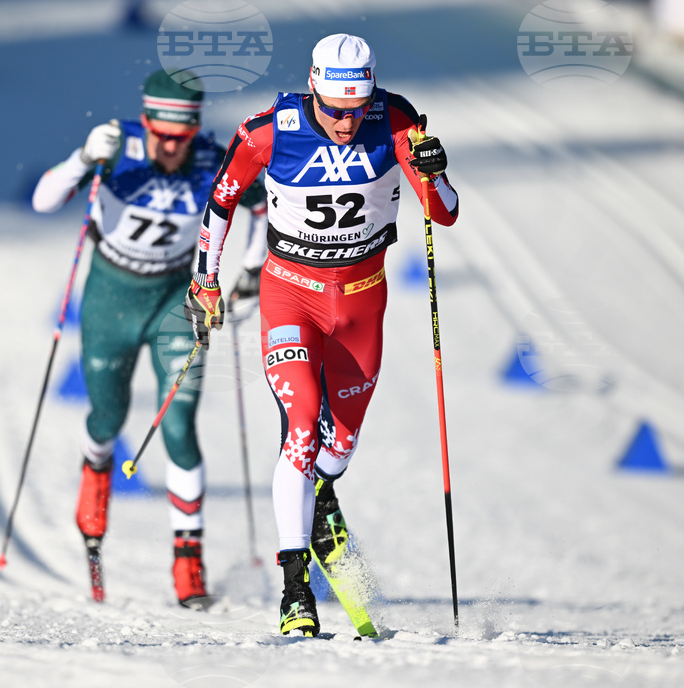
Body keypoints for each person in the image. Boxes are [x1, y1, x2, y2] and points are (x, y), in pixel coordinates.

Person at [184, 33, 459, 635]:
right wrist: (205, 280)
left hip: (362, 304)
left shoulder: (397, 119)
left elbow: (444, 212)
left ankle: (323, 500)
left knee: (340, 448)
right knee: (303, 424)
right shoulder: (269, 130)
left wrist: (435, 174)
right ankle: (294, 590)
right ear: (313, 86)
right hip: (292, 294)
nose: (344, 122)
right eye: (333, 109)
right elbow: (221, 201)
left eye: (355, 110)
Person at [32, 69, 267, 609]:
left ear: (195, 130)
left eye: (180, 138)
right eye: (161, 134)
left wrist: (251, 270)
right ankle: (95, 468)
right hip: (109, 301)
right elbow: (44, 201)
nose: (169, 147)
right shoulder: (117, 145)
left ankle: (188, 564)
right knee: (107, 419)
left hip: (173, 304)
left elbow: (260, 208)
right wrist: (83, 160)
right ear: (146, 123)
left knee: (180, 426)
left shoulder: (211, 159)